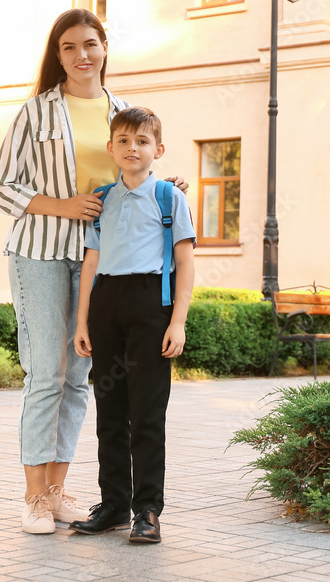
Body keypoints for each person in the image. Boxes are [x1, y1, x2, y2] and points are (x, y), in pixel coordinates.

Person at [0, 9, 187, 535]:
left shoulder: (122, 110)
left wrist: (167, 190)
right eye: (70, 47)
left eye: (91, 44)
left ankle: (57, 491)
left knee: (79, 381)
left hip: (105, 262)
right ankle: (32, 497)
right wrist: (62, 205)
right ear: (59, 55)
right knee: (47, 377)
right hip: (43, 252)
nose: (82, 55)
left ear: (104, 48)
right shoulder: (36, 112)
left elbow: (134, 171)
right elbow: (1, 186)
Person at [69, 106, 195, 544]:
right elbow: (91, 262)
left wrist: (176, 323)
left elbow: (184, 262)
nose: (132, 148)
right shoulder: (103, 199)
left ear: (157, 149)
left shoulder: (168, 197)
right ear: (111, 148)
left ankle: (147, 510)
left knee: (146, 414)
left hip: (149, 306)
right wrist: (83, 319)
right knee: (110, 413)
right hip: (106, 306)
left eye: (142, 141)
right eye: (123, 140)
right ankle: (114, 504)